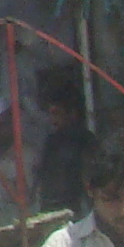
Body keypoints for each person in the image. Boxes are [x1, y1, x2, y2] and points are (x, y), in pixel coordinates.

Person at [33, 72, 94, 215]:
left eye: (57, 113)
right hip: (51, 211)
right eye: (50, 114)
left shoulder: (86, 141)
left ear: (72, 113)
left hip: (77, 212)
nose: (52, 120)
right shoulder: (51, 142)